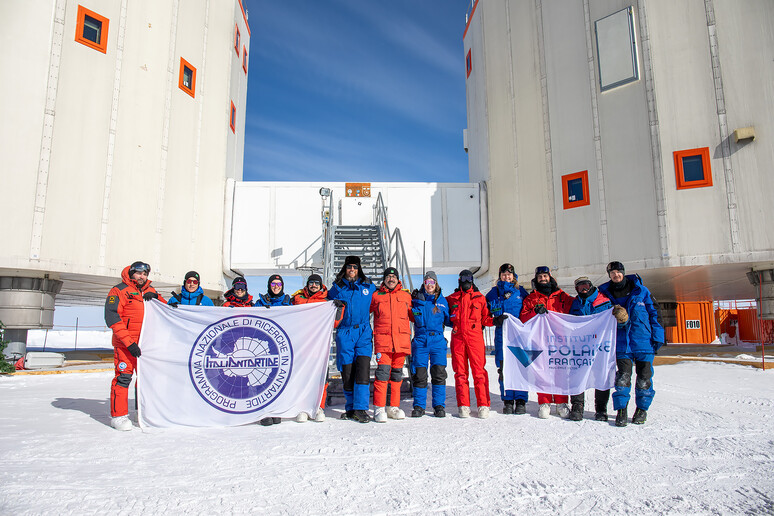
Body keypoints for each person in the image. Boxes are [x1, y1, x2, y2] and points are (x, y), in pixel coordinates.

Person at [598, 261, 665, 427]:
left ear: (623, 272)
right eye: (612, 273)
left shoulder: (641, 291)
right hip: (621, 343)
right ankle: (622, 410)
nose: (616, 275)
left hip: (643, 341)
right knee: (622, 378)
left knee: (644, 378)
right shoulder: (605, 294)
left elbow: (655, 314)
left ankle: (642, 410)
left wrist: (657, 338)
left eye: (618, 272)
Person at [104, 261, 166, 431]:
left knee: (146, 379)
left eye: (145, 274)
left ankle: (144, 412)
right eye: (139, 273)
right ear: (131, 273)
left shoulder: (150, 290)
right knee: (123, 378)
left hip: (145, 345)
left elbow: (165, 310)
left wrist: (156, 299)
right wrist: (129, 343)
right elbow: (112, 318)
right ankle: (119, 415)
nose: (142, 277)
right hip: (126, 346)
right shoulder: (118, 290)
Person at [520, 265, 574, 419]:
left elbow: (576, 309)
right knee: (542, 372)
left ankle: (561, 402)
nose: (543, 279)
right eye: (540, 277)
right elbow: (523, 318)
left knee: (560, 371)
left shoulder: (562, 296)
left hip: (560, 340)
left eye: (545, 276)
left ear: (550, 276)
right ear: (536, 280)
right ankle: (544, 402)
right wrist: (534, 311)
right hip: (540, 340)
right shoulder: (531, 298)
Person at [328, 256, 377, 423]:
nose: (352, 270)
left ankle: (361, 409)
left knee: (362, 371)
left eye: (355, 267)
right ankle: (350, 408)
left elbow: (383, 298)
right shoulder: (337, 288)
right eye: (349, 267)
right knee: (347, 372)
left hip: (363, 332)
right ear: (345, 268)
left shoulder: (368, 286)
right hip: (345, 333)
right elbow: (323, 301)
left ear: (359, 269)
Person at [291, 274, 342, 423]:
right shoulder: (297, 299)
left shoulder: (326, 301)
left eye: (316, 283)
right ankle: (302, 407)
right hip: (302, 346)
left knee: (321, 379)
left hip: (320, 348)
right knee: (302, 378)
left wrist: (338, 309)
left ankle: (319, 406)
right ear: (307, 285)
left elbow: (335, 323)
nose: (314, 285)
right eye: (311, 283)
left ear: (321, 285)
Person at [446, 269, 493, 419]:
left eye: (469, 278)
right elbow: (438, 307)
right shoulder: (452, 298)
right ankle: (464, 405)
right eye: (463, 278)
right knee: (460, 373)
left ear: (472, 280)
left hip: (475, 338)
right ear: (459, 280)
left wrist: (495, 321)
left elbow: (486, 319)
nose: (466, 281)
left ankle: (483, 405)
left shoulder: (480, 298)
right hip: (458, 338)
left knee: (479, 372)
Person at [369, 267, 414, 423]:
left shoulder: (406, 296)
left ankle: (393, 406)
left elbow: (414, 317)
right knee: (382, 374)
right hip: (384, 342)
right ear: (384, 279)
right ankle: (379, 407)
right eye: (388, 277)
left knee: (396, 376)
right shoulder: (376, 296)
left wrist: (421, 301)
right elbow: (364, 311)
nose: (391, 279)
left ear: (398, 279)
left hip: (401, 343)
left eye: (393, 277)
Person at [567, 276, 614, 421]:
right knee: (576, 375)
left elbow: (611, 320)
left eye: (585, 285)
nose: (583, 289)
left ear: (591, 285)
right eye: (580, 287)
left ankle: (601, 409)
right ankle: (577, 406)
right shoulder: (575, 304)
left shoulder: (603, 301)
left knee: (601, 376)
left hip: (599, 345)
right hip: (581, 346)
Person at [485, 263, 529, 415]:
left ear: (513, 275)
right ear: (500, 276)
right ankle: (508, 400)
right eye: (503, 274)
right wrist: (492, 321)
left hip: (519, 337)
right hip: (501, 337)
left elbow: (530, 310)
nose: (506, 276)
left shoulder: (521, 292)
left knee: (521, 367)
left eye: (509, 274)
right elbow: (484, 311)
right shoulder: (493, 293)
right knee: (504, 370)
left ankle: (521, 400)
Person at [409, 271, 450, 418]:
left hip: (438, 341)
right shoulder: (416, 301)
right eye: (427, 283)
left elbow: (451, 320)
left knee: (438, 374)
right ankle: (419, 406)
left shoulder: (442, 301)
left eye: (432, 282)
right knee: (420, 375)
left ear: (436, 284)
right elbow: (407, 313)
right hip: (421, 341)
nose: (429, 285)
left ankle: (439, 406)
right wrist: (412, 298)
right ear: (424, 284)